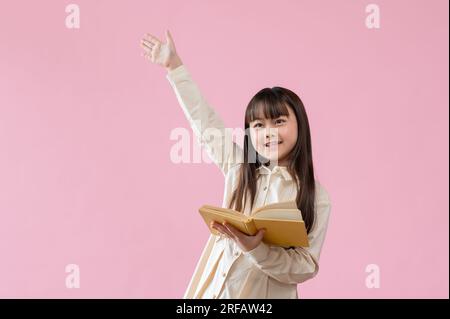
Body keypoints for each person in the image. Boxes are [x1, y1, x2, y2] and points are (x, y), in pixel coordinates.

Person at [140, 30, 332, 299]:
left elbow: (305, 265)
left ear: (300, 124)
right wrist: (175, 67)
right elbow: (206, 123)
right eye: (258, 125)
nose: (268, 132)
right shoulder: (241, 169)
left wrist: (257, 250)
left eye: (278, 121)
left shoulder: (316, 196)